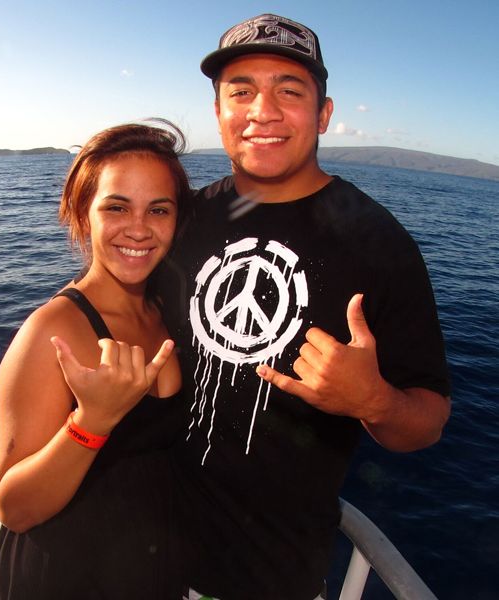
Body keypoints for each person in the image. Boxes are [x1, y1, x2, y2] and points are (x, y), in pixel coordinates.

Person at [165, 14, 451, 600]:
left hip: (271, 580)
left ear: (323, 113)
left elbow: (425, 424)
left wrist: (372, 400)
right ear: (218, 110)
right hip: (137, 557)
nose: (262, 111)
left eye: (289, 92)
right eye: (240, 91)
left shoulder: (380, 244)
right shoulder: (180, 220)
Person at [0, 121, 192, 599]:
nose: (139, 229)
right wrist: (92, 422)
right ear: (84, 214)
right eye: (116, 207)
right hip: (67, 580)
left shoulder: (163, 308)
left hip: (149, 573)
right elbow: (13, 507)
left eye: (158, 210)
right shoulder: (54, 330)